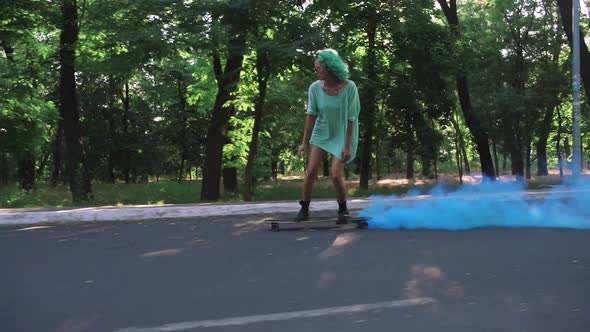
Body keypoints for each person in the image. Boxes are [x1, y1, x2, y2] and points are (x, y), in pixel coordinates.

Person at [295, 49, 361, 221]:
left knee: (335, 173)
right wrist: (304, 143)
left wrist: (347, 146)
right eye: (315, 68)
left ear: (330, 68)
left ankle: (343, 208)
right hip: (322, 131)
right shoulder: (315, 88)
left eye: (319, 68)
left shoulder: (350, 87)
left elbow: (352, 119)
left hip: (343, 133)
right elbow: (311, 115)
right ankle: (304, 209)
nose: (316, 71)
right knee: (310, 172)